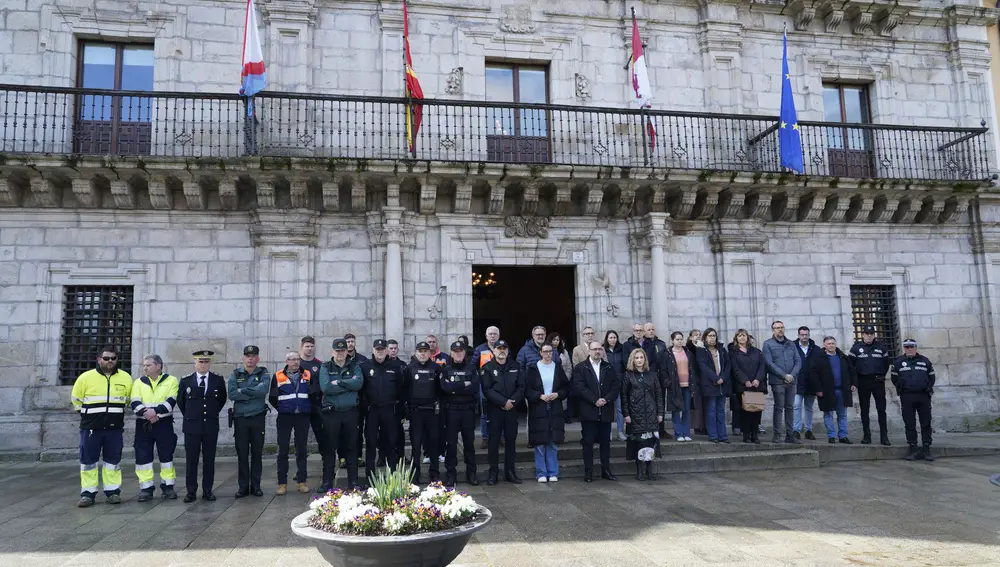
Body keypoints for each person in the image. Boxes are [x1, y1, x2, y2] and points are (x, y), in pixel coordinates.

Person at [71, 345, 132, 507]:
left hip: (114, 428)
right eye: (106, 358)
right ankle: (87, 494)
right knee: (88, 461)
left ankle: (112, 492)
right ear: (99, 359)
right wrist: (88, 415)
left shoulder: (125, 377)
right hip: (91, 428)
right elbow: (76, 400)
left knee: (113, 461)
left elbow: (127, 400)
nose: (110, 361)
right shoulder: (86, 377)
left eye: (113, 358)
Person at [176, 350, 227, 502]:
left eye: (206, 362)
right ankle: (191, 491)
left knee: (209, 460)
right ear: (195, 363)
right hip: (192, 426)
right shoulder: (186, 381)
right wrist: (192, 415)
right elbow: (181, 401)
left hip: (210, 425)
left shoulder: (217, 380)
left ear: (209, 363)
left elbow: (221, 400)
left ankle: (207, 490)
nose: (203, 364)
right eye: (200, 362)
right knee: (191, 460)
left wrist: (210, 413)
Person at [130, 354, 179, 502]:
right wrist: (148, 414)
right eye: (144, 365)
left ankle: (168, 487)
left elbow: (171, 401)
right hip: (143, 424)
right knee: (143, 456)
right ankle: (146, 489)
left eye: (148, 365)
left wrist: (155, 412)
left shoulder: (171, 380)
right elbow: (134, 402)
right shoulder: (139, 382)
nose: (145, 368)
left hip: (163, 423)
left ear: (158, 366)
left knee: (166, 456)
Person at [572, 341, 621, 483]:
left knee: (605, 443)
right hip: (589, 411)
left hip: (605, 411)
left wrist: (605, 399)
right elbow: (580, 388)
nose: (597, 351)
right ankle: (588, 471)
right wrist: (595, 400)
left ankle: (606, 470)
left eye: (600, 349)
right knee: (588, 443)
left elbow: (615, 386)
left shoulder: (608, 367)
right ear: (589, 351)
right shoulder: (581, 368)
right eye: (594, 349)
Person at [319, 338, 365, 489]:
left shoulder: (355, 366)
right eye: (337, 351)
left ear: (347, 351)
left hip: (350, 413)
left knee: (352, 448)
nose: (340, 353)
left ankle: (353, 482)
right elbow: (326, 388)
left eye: (343, 351)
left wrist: (338, 382)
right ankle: (327, 482)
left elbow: (358, 384)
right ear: (333, 351)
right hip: (332, 414)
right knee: (329, 448)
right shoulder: (326, 367)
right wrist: (348, 384)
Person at [268, 351, 313, 495]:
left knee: (302, 449)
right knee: (283, 450)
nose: (295, 362)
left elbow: (314, 394)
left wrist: (306, 407)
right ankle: (282, 483)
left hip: (302, 417)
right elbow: (272, 397)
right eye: (292, 359)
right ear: (286, 361)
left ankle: (301, 482)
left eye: (297, 359)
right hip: (285, 417)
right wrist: (284, 408)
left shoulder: (308, 374)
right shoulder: (278, 376)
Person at [228, 345, 270, 498]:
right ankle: (243, 487)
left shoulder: (263, 373)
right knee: (242, 454)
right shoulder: (236, 374)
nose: (250, 358)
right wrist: (252, 392)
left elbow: (263, 391)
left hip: (258, 418)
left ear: (257, 358)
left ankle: (256, 486)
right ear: (243, 358)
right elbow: (232, 394)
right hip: (241, 419)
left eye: (253, 356)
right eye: (247, 356)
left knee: (257, 453)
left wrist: (243, 390)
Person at [481, 340, 525, 485]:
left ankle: (510, 472)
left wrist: (512, 402)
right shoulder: (487, 367)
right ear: (494, 351)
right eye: (499, 348)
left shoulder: (515, 366)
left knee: (511, 442)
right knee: (493, 442)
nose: (502, 351)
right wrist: (503, 402)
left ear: (507, 351)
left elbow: (521, 387)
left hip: (511, 410)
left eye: (504, 348)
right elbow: (487, 390)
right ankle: (493, 472)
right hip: (495, 411)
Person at [525, 343, 569, 482]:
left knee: (552, 441)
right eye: (545, 351)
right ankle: (541, 473)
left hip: (554, 406)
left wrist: (557, 394)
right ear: (540, 352)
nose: (548, 354)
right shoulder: (533, 368)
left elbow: (566, 387)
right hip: (538, 407)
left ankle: (553, 472)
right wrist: (539, 396)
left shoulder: (557, 367)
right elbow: (527, 389)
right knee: (539, 443)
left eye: (550, 351)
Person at [360, 339, 403, 480]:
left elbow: (401, 389)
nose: (380, 351)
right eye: (377, 349)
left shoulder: (395, 367)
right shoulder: (365, 366)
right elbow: (361, 389)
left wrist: (400, 410)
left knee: (391, 441)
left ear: (386, 350)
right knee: (371, 442)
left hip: (389, 409)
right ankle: (370, 475)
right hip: (372, 410)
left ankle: (393, 474)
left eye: (382, 349)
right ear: (373, 350)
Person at [440, 341, 480, 487]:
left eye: (461, 351)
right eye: (455, 351)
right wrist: (464, 384)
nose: (458, 353)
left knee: (469, 444)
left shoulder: (471, 368)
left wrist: (454, 388)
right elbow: (445, 388)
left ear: (464, 353)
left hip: (467, 410)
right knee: (451, 445)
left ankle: (472, 473)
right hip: (451, 411)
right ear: (451, 353)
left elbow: (474, 387)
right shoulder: (445, 369)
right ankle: (451, 474)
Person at [621, 349, 663, 481]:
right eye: (637, 358)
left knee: (650, 442)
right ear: (632, 360)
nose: (639, 360)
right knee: (639, 443)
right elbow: (624, 396)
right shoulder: (628, 376)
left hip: (651, 414)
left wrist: (660, 413)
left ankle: (649, 470)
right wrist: (626, 414)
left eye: (641, 357)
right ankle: (640, 470)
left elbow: (659, 395)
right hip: (635, 414)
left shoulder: (652, 375)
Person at [891, 339, 936, 461]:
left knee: (926, 422)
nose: (909, 349)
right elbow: (894, 378)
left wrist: (927, 387)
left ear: (915, 348)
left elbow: (932, 376)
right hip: (907, 396)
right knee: (909, 423)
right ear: (904, 348)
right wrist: (902, 387)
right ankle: (913, 448)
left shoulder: (924, 360)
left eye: (911, 347)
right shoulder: (899, 362)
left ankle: (926, 449)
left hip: (923, 395)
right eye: (906, 347)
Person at [403, 341, 441, 484]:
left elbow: (440, 389)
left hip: (432, 411)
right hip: (416, 412)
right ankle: (415, 473)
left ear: (430, 353)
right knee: (416, 445)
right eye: (420, 351)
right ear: (416, 353)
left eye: (426, 351)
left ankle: (434, 473)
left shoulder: (436, 368)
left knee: (433, 443)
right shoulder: (409, 368)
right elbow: (405, 389)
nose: (423, 353)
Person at [298, 336, 332, 493]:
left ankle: (327, 474)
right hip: (301, 408)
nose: (309, 348)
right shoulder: (296, 364)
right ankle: (301, 473)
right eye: (306, 346)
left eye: (311, 346)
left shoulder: (319, 365)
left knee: (323, 440)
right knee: (301, 443)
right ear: (302, 347)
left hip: (317, 407)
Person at [849, 325, 892, 446]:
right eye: (867, 334)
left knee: (881, 409)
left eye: (871, 334)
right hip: (863, 381)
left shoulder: (881, 348)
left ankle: (884, 436)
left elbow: (886, 364)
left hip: (878, 381)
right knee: (864, 410)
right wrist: (854, 381)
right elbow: (851, 366)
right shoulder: (856, 348)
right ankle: (866, 435)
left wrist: (881, 375)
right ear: (862, 335)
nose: (869, 336)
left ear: (874, 335)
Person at [811, 336, 857, 444]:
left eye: (833, 343)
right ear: (824, 345)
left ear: (835, 344)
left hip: (842, 390)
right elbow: (814, 375)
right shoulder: (819, 358)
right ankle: (831, 436)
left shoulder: (843, 357)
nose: (831, 345)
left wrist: (854, 383)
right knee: (828, 414)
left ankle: (843, 436)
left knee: (842, 415)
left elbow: (852, 371)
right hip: (826, 391)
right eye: (829, 344)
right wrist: (818, 389)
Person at [762, 321, 802, 444]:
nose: (780, 330)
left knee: (790, 407)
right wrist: (784, 375)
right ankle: (777, 434)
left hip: (792, 381)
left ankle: (790, 435)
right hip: (777, 381)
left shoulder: (791, 344)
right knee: (779, 407)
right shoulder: (768, 344)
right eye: (777, 328)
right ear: (773, 330)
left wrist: (792, 375)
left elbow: (798, 360)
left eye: (781, 327)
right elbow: (769, 363)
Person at [729, 330, 766, 444]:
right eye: (739, 336)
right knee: (745, 411)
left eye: (743, 335)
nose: (742, 338)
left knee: (756, 411)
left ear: (747, 337)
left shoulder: (756, 352)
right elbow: (735, 369)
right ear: (736, 338)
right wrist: (745, 380)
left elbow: (762, 366)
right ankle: (746, 435)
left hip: (756, 386)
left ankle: (755, 434)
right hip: (743, 386)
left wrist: (757, 379)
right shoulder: (733, 353)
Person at [696, 328, 731, 443]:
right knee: (711, 411)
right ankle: (713, 435)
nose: (712, 338)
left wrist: (723, 378)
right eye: (710, 336)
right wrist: (716, 378)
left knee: (721, 411)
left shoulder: (721, 349)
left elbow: (727, 366)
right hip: (710, 385)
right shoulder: (701, 350)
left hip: (722, 385)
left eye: (714, 336)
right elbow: (703, 367)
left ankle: (723, 435)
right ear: (705, 338)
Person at [658, 331, 693, 442]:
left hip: (687, 384)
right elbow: (663, 370)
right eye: (677, 339)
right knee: (676, 409)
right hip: (674, 385)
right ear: (672, 340)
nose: (680, 341)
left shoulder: (687, 352)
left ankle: (686, 432)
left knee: (686, 409)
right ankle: (678, 433)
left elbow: (692, 369)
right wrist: (667, 382)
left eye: (681, 339)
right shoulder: (667, 353)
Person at [473, 326, 500, 449]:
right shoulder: (480, 349)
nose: (493, 336)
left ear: (498, 336)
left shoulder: (503, 347)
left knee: (501, 410)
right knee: (485, 412)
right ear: (486, 336)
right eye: (490, 334)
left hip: (501, 384)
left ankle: (501, 437)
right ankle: (485, 438)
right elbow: (473, 365)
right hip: (484, 384)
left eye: (495, 334)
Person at [793, 327, 821, 440]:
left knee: (809, 408)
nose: (804, 337)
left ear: (809, 335)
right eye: (802, 334)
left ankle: (808, 430)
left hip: (811, 383)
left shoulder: (816, 349)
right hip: (797, 382)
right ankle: (796, 429)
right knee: (796, 406)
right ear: (798, 335)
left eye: (806, 334)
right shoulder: (793, 347)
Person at [603, 330, 627, 441]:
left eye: (614, 337)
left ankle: (620, 431)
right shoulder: (602, 350)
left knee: (619, 409)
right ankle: (608, 433)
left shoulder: (622, 349)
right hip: (607, 384)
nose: (613, 339)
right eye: (610, 337)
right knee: (608, 409)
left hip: (619, 382)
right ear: (607, 339)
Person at [686, 330, 705, 435]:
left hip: (703, 378)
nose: (698, 337)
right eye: (695, 335)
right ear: (690, 337)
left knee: (702, 404)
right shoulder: (689, 348)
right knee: (695, 404)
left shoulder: (702, 347)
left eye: (699, 335)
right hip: (693, 378)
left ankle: (703, 426)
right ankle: (697, 427)